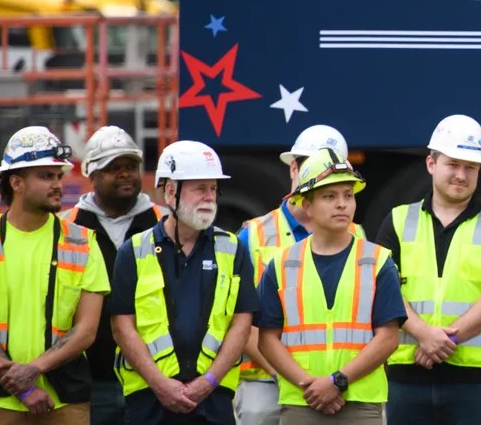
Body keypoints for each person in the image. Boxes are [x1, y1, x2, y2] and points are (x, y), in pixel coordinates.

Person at [109, 140, 258, 425]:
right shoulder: (134, 250)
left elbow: (242, 323)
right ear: (171, 192)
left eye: (213, 189)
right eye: (200, 188)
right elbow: (121, 327)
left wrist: (209, 382)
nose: (210, 197)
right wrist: (160, 384)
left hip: (212, 400)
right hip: (149, 401)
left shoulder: (233, 248)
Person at [256, 147, 405, 425]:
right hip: (302, 401)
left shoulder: (377, 261)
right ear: (307, 205)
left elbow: (388, 337)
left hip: (360, 403)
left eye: (348, 195)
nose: (342, 204)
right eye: (329, 196)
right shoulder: (282, 263)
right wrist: (309, 385)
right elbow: (266, 338)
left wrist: (337, 382)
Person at [375, 115, 481, 425]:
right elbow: (382, 287)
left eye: (470, 167)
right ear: (431, 164)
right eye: (453, 164)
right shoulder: (398, 220)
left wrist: (445, 341)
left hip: (477, 379)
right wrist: (423, 334)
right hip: (407, 377)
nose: (461, 174)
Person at [236, 125, 362, 425]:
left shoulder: (357, 235)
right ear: (294, 168)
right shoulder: (252, 235)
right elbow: (240, 318)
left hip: (338, 386)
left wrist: (332, 383)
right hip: (265, 385)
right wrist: (296, 379)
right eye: (312, 168)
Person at [0, 126, 110, 424]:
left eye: (59, 176)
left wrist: (34, 369)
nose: (58, 184)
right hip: (0, 400)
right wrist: (23, 387)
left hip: (66, 402)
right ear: (16, 182)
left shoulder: (83, 242)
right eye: (47, 176)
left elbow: (86, 330)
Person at [58, 125, 166, 425]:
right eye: (113, 168)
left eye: (130, 166)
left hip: (156, 376)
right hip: (91, 377)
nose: (125, 174)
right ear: (91, 174)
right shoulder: (67, 228)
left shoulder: (165, 223)